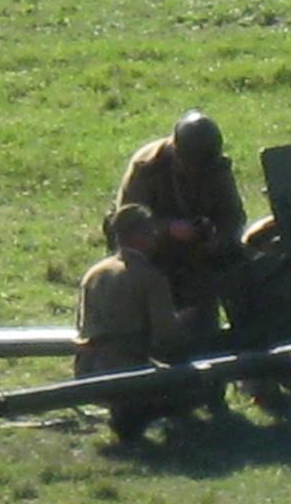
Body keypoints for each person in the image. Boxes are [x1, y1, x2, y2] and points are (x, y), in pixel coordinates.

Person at [75, 203, 203, 443]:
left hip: (89, 367)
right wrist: (184, 322)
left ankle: (125, 418)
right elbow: (166, 337)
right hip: (131, 371)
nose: (155, 237)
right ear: (139, 236)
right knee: (198, 382)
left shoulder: (94, 273)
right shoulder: (149, 277)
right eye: (150, 232)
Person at [112, 111, 247, 338]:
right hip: (151, 253)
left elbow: (233, 216)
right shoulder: (147, 168)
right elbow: (126, 224)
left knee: (240, 267)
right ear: (176, 152)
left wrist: (216, 240)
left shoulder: (216, 168)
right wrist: (169, 229)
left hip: (198, 257)